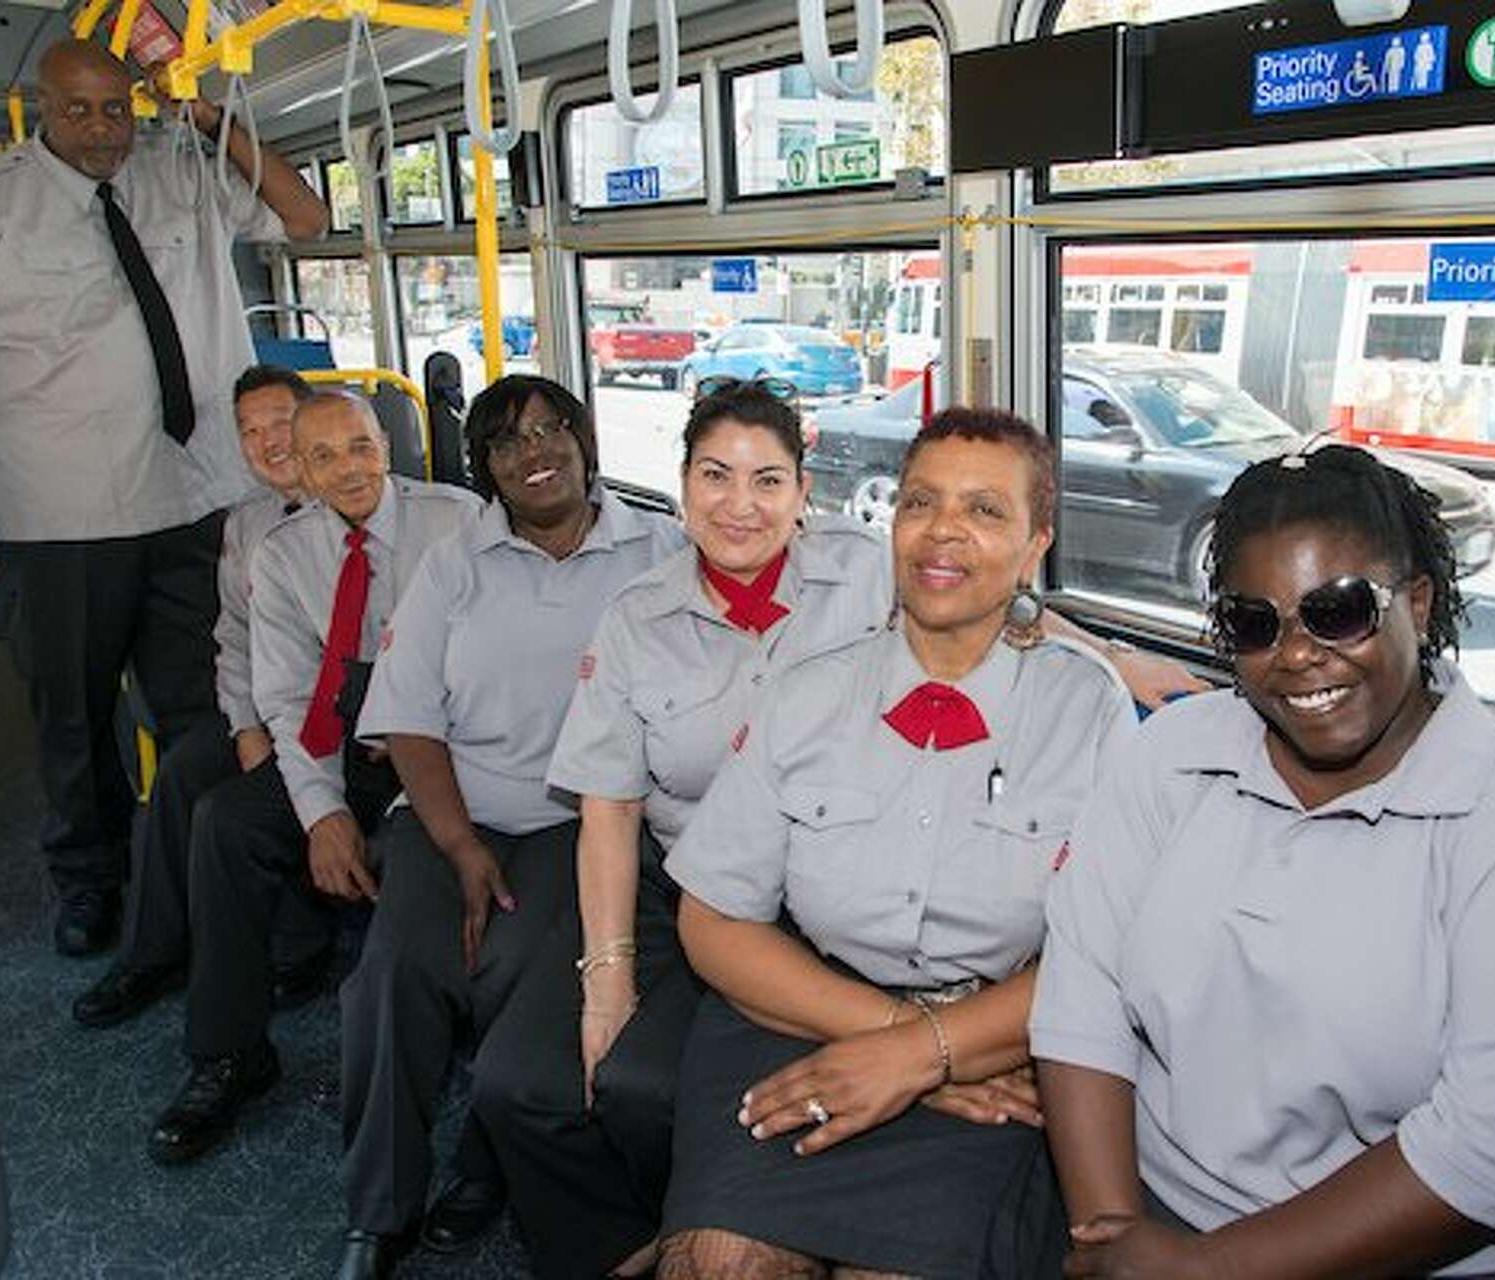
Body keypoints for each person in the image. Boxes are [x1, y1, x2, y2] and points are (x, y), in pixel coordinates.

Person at [1031, 445, 1495, 1279]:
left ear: (1416, 605)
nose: (1298, 653)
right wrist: (1114, 1237)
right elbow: (1082, 997)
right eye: (1254, 622)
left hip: (1404, 1253)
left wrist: (1205, 1272)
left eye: (1338, 610)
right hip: (1153, 1213)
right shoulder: (1170, 756)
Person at [657, 408, 1139, 1280]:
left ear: (1037, 543)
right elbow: (713, 919)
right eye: (921, 501)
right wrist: (908, 1044)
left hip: (999, 1055)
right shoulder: (808, 695)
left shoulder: (1089, 711)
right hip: (796, 1019)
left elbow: (1107, 957)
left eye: (986, 510)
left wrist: (931, 1053)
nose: (943, 529)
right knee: (722, 1263)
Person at [0, 38, 329, 955]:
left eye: (117, 108)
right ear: (44, 105)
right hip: (59, 515)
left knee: (208, 709)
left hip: (197, 495)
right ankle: (90, 881)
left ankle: (222, 876)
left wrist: (217, 122)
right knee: (74, 715)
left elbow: (308, 217)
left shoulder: (186, 175)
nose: (100, 128)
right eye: (78, 109)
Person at [470, 379, 891, 1278]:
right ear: (682, 483)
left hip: (814, 893)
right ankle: (611, 1247)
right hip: (681, 872)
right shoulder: (635, 620)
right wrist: (607, 979)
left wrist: (1103, 654)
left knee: (641, 1087)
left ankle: (697, 1227)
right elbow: (610, 809)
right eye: (715, 475)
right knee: (519, 1085)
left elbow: (985, 604)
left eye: (768, 480)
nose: (740, 506)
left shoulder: (865, 574)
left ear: (803, 491)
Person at [335, 375, 688, 1279]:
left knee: (517, 963)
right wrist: (458, 847)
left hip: (587, 821)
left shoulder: (659, 548)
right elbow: (407, 718)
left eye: (551, 430)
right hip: (454, 811)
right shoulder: (453, 563)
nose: (534, 453)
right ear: (484, 467)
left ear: (584, 439)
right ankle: (378, 1211)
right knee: (394, 973)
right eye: (506, 442)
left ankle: (487, 1164)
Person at [147, 391, 477, 1165]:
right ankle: (229, 1052)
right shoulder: (283, 554)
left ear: (385, 448)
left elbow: (499, 658)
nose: (348, 469)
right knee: (225, 822)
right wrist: (322, 811)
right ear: (301, 466)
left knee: (414, 849)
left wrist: (418, 758)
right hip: (341, 736)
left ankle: (448, 1053)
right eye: (323, 455)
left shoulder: (458, 523)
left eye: (360, 447)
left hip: (448, 743)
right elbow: (289, 697)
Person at [71, 364, 331, 1028]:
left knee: (240, 805)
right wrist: (245, 726)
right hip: (271, 705)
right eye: (250, 431)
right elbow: (233, 640)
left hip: (344, 713)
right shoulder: (246, 524)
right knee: (186, 768)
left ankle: (300, 940)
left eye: (281, 422)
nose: (269, 441)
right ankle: (155, 950)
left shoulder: (367, 504)